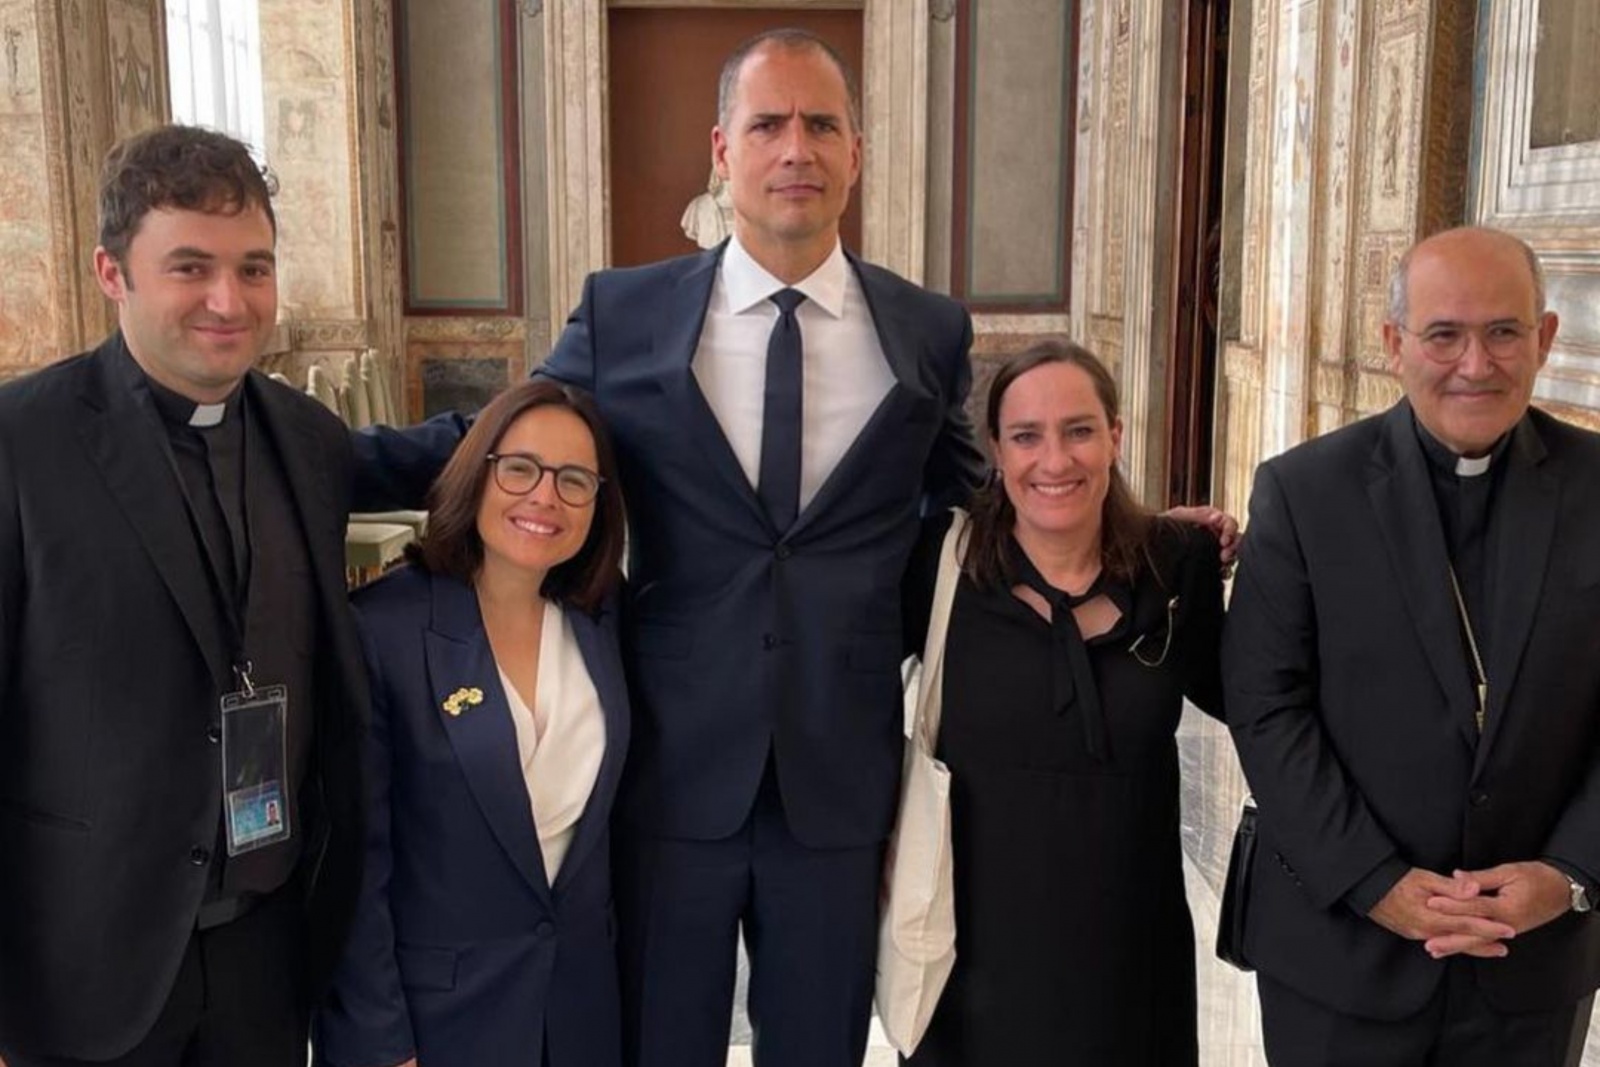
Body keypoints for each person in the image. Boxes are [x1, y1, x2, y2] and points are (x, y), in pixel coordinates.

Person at [349, 29, 1235, 1067]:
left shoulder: (923, 327)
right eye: (767, 123)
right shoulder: (627, 311)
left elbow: (982, 491)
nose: (795, 148)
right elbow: (502, 434)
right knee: (662, 1041)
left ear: (855, 152)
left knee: (814, 1044)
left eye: (820, 124)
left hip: (838, 769)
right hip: (669, 767)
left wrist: (1135, 526)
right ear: (723, 150)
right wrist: (307, 464)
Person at [0, 125, 366, 1066]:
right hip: (83, 962)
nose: (227, 300)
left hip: (267, 947)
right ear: (111, 272)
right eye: (190, 267)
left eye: (254, 268)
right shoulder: (21, 444)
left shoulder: (312, 439)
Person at [1224, 225, 1600, 1067]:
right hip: (1340, 956)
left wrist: (1572, 872)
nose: (1476, 363)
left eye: (1504, 332)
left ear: (1543, 339)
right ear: (1395, 344)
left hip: (1530, 964)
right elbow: (1264, 703)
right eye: (1444, 334)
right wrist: (1373, 879)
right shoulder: (1303, 491)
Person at [902, 341, 1224, 1066]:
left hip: (1129, 961)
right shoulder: (938, 567)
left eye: (1079, 430)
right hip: (969, 960)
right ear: (995, 449)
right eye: (1027, 436)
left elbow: (1258, 700)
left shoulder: (1179, 563)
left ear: (1116, 434)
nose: (1055, 460)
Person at [315, 381, 630, 1067]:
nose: (545, 496)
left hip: (578, 1018)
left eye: (574, 480)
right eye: (519, 468)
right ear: (473, 471)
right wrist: (378, 1040)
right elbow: (352, 864)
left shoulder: (602, 622)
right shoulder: (383, 631)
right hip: (436, 1024)